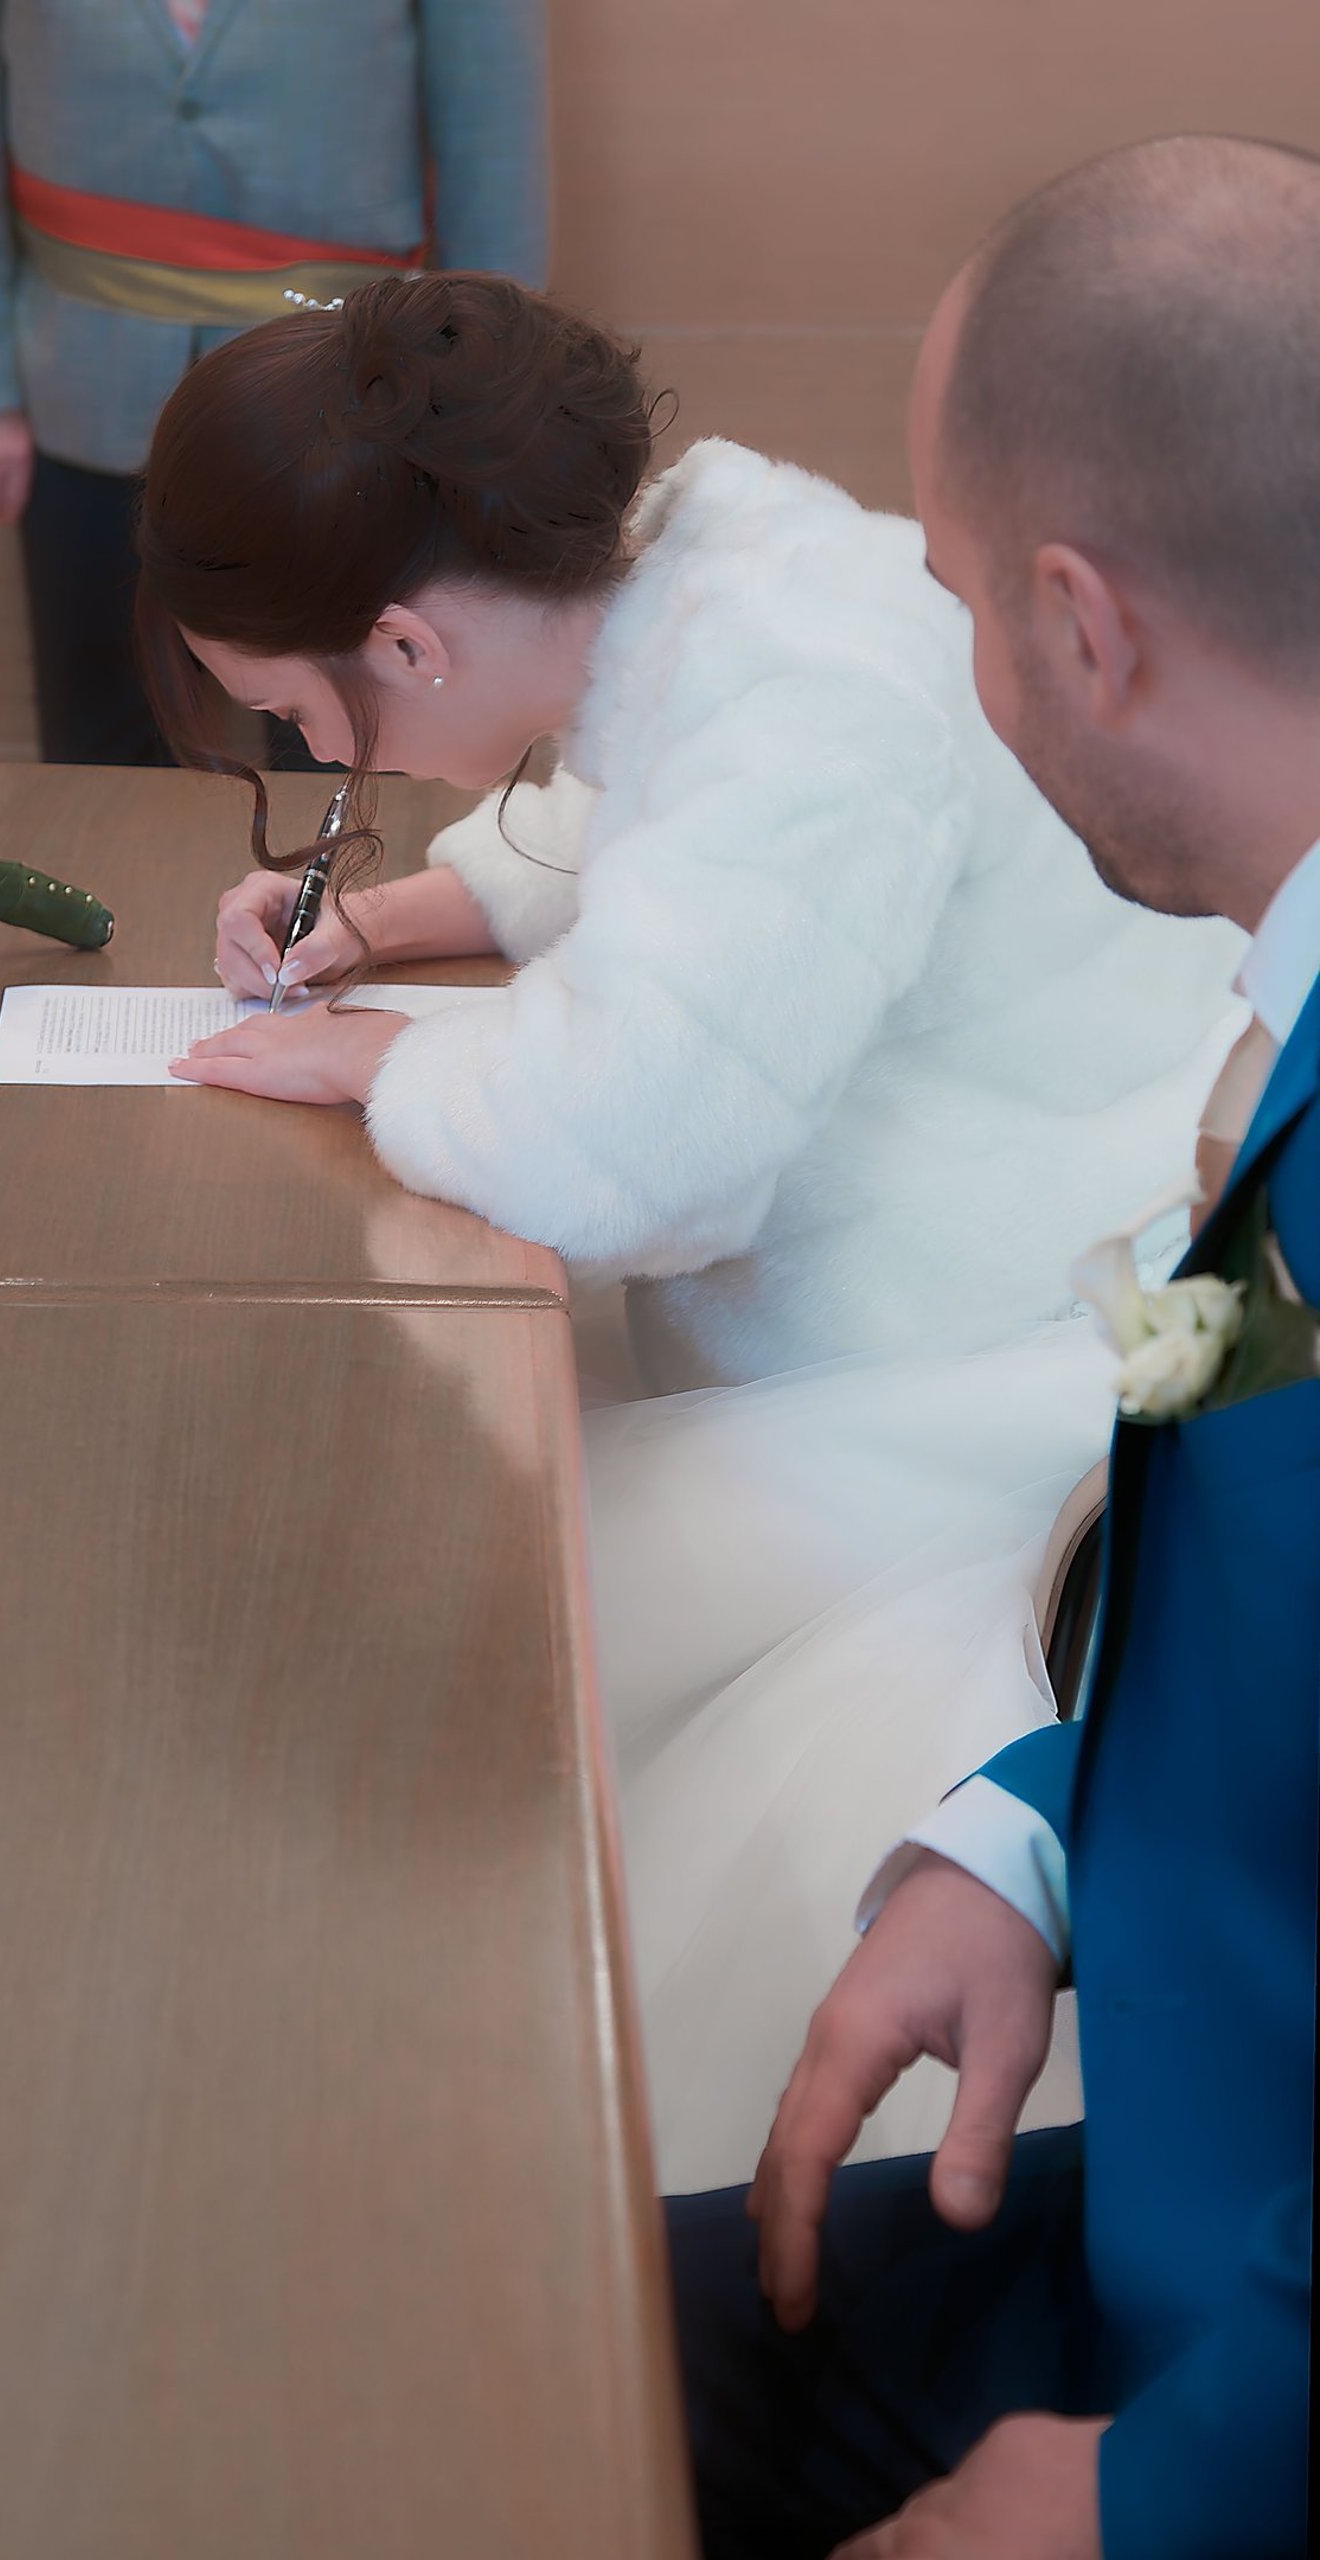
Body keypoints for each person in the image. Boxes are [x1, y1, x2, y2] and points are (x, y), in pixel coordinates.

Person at [138, 272, 1242, 2179]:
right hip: (966, 1271)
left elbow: (641, 1147)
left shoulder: (802, 684)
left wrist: (379, 1065)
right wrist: (398, 923)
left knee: (481, 1620)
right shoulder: (708, 564)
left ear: (404, 635)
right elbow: (640, 843)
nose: (341, 779)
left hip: (1045, 1338)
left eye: (304, 722)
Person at [667, 135, 1318, 2560]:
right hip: (1152, 2159)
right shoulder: (1283, 1013)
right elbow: (1218, 1468)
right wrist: (1031, 1824)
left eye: (954, 598)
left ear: (1080, 618)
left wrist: (1184, 2482)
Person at [0, 0, 547, 764]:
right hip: (82, 379)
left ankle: (339, 892)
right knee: (101, 738)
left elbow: (493, 144)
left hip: (356, 396)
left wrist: (487, 398)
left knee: (349, 742)